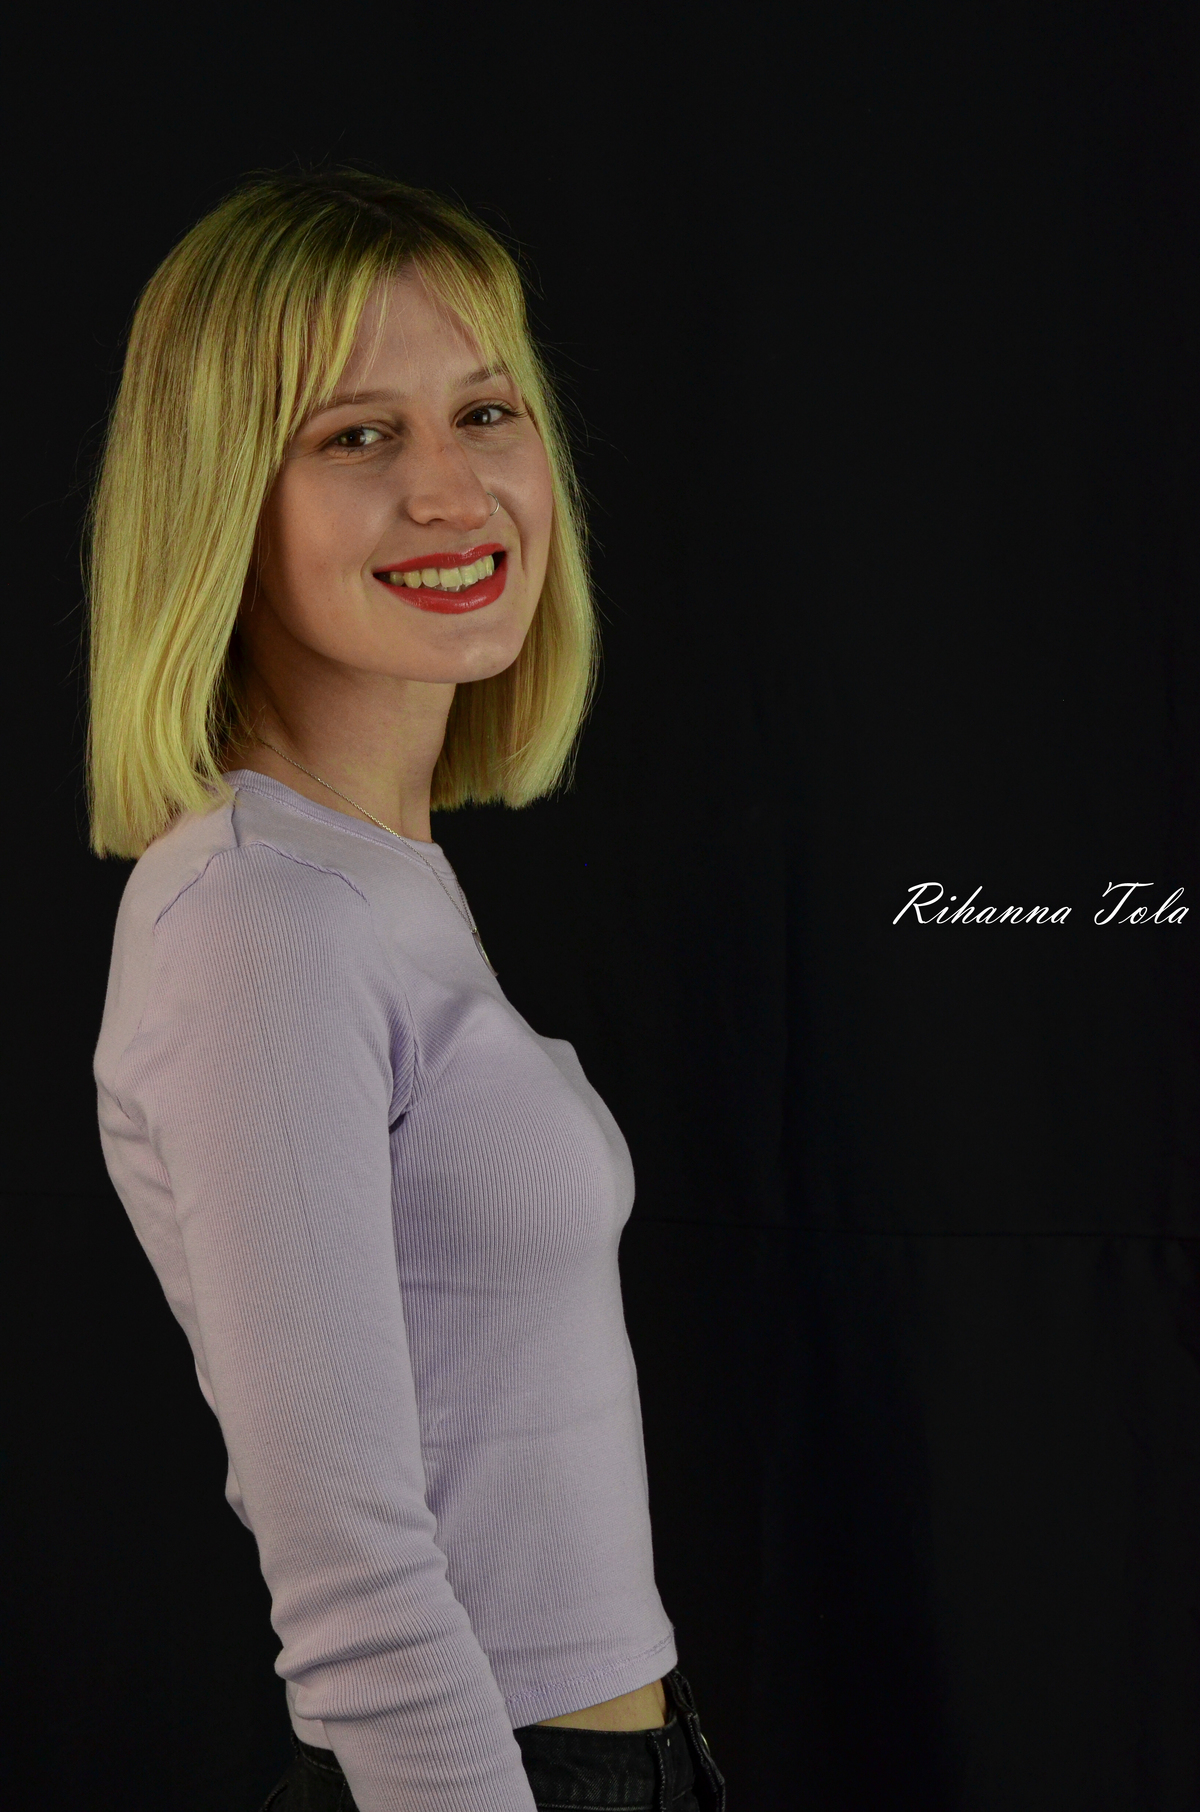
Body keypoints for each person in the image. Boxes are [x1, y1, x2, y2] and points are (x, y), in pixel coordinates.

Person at [87, 170, 726, 1812]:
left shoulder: (371, 877)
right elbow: (350, 1569)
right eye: (358, 435)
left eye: (485, 412)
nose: (453, 490)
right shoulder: (262, 915)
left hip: (618, 1756)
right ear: (223, 500)